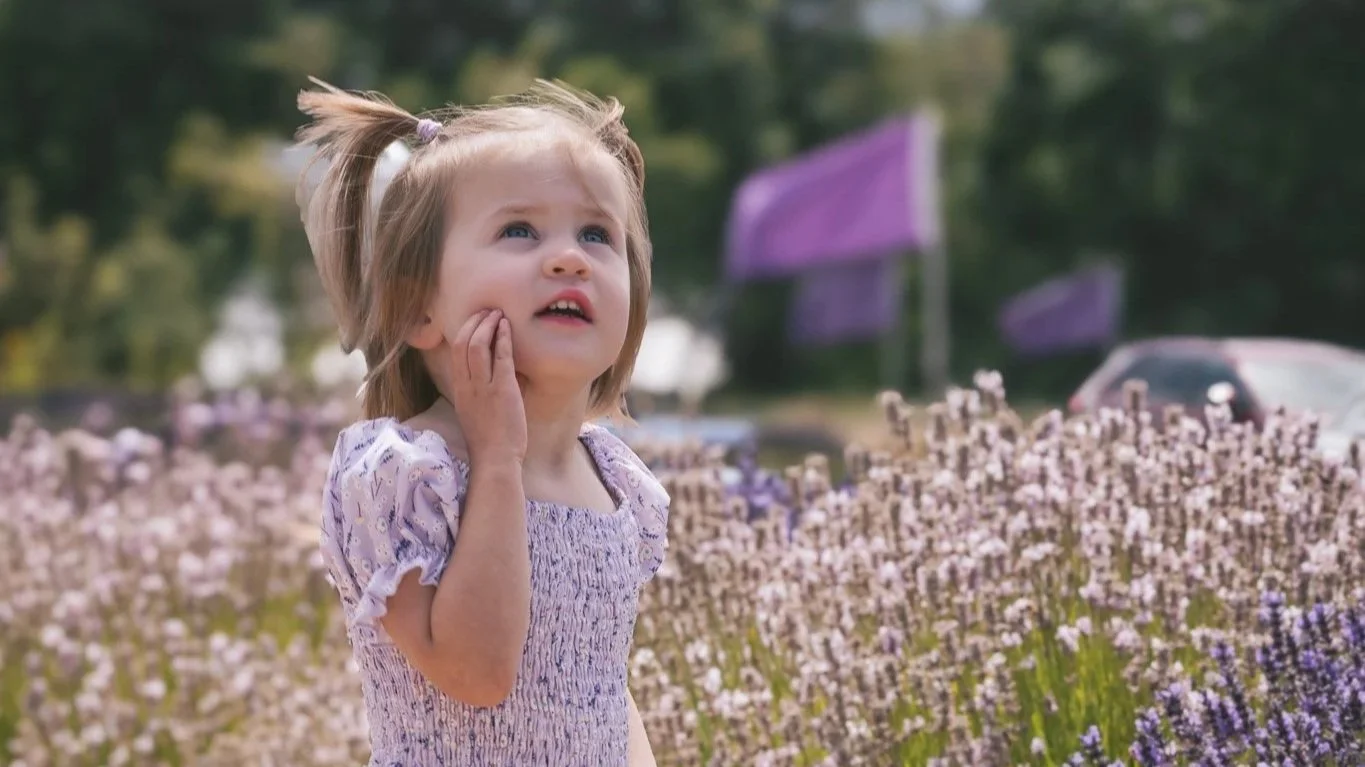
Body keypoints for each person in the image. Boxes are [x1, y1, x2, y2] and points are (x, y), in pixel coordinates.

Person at [298, 76, 669, 766]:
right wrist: (498, 456)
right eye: (518, 230)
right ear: (418, 308)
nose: (568, 257)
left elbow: (603, 694)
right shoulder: (405, 473)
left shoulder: (618, 480)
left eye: (597, 234)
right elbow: (475, 672)